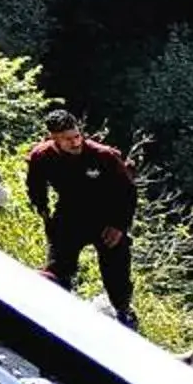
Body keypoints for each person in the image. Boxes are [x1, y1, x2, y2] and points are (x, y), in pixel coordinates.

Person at [24, 106, 138, 328]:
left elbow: (128, 192)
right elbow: (35, 187)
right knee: (58, 269)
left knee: (116, 273)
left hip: (107, 218)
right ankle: (50, 317)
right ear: (53, 139)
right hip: (69, 216)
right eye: (67, 139)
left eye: (76, 136)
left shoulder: (103, 155)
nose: (75, 143)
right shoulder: (42, 156)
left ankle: (123, 313)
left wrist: (119, 226)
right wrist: (45, 214)